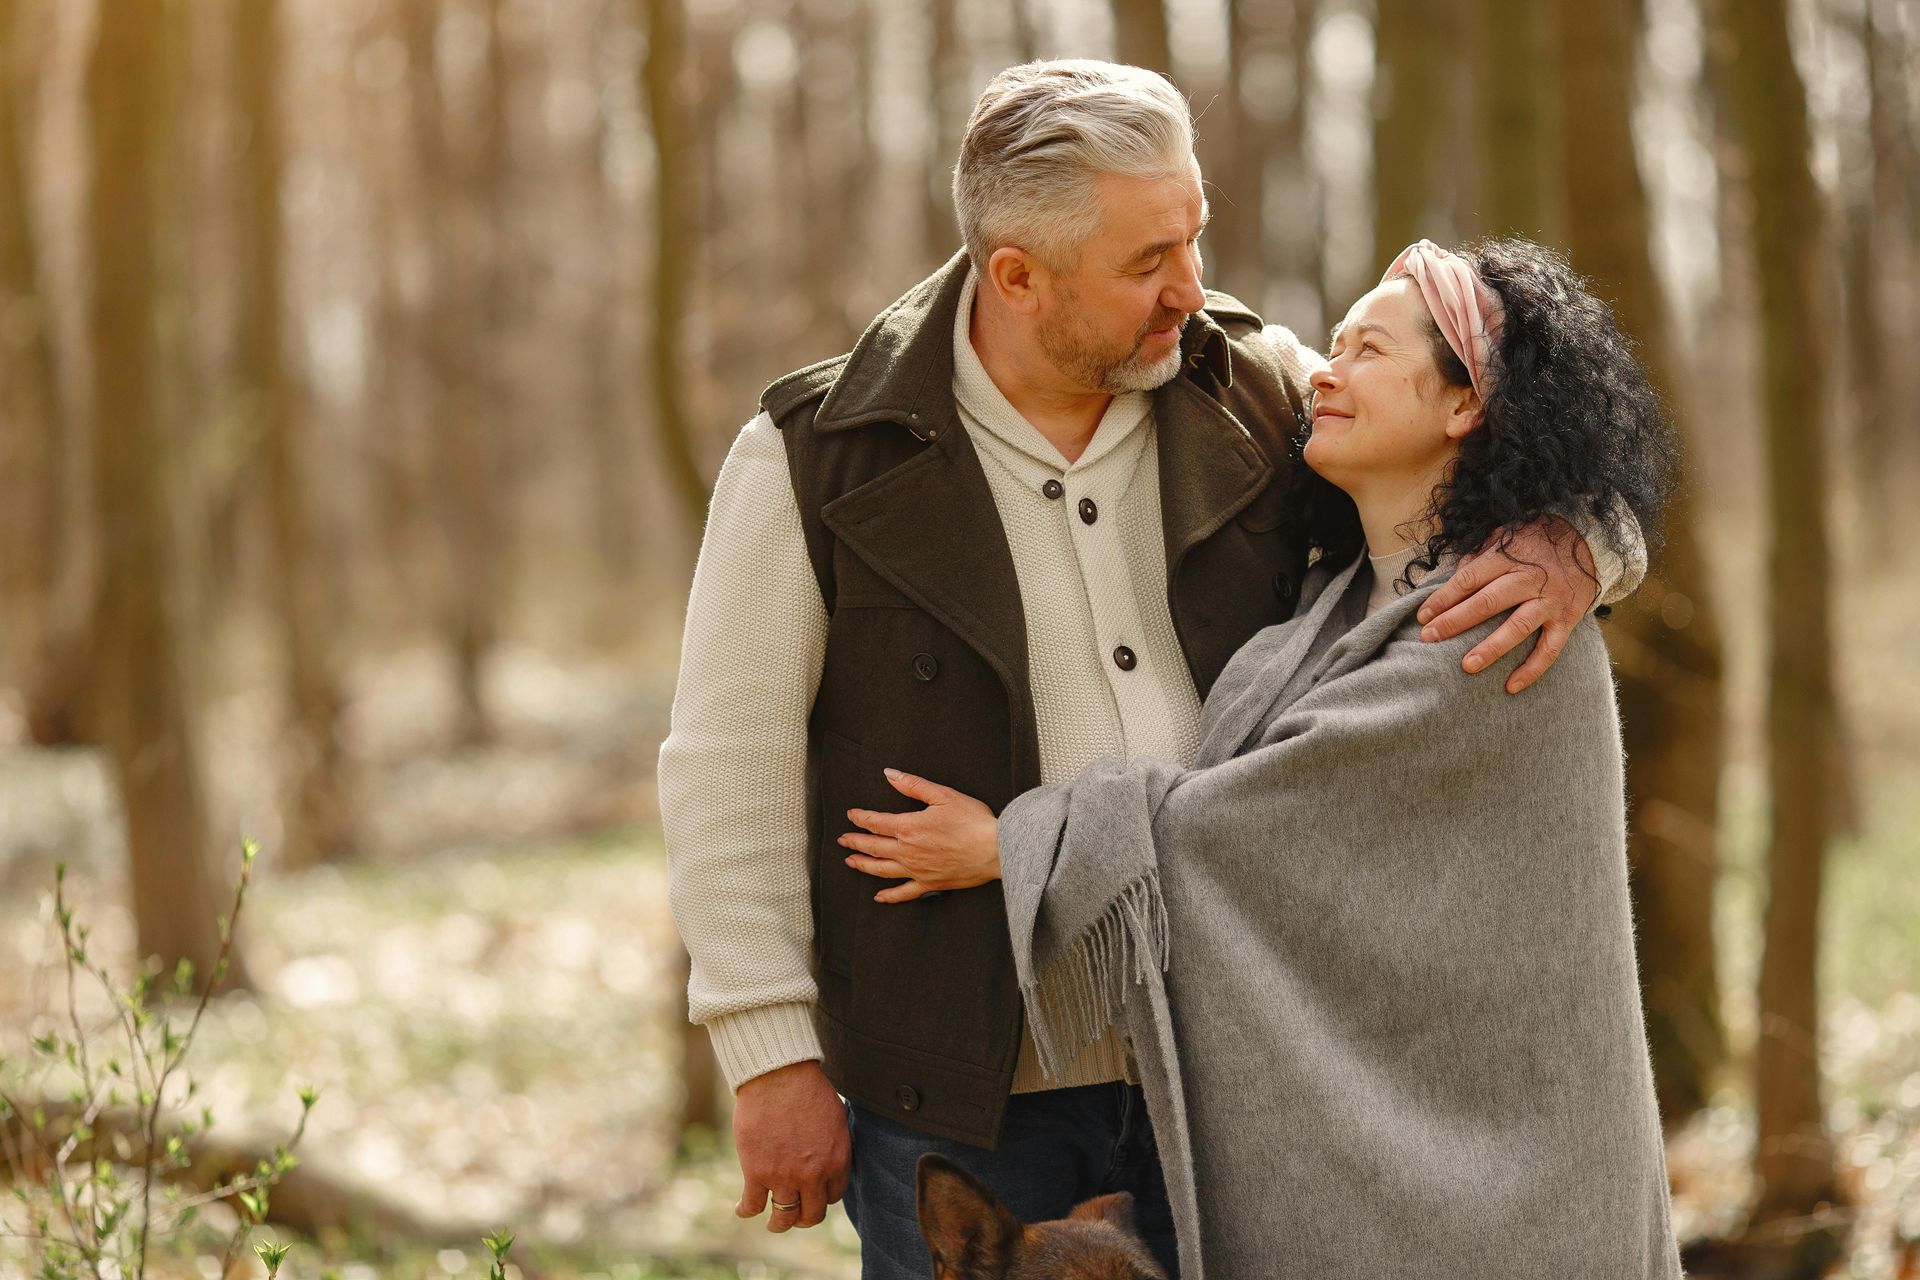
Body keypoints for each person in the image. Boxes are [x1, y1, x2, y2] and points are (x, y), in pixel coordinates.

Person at [657, 61, 1644, 1280]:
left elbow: (1496, 439)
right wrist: (771, 1053)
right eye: (1145, 262)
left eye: (1193, 237)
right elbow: (728, 764)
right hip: (966, 1090)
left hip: (1235, 1070)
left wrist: (1582, 540)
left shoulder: (1258, 388)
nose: (1190, 286)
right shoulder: (816, 458)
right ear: (1018, 275)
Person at [839, 238, 1684, 1279]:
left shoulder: (1503, 626)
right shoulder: (1325, 613)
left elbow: (1248, 826)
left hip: (1517, 1195)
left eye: (1369, 348)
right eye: (1331, 343)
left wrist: (1015, 844)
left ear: (1467, 406)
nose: (1323, 371)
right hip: (1394, 1188)